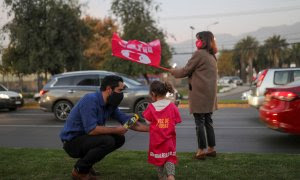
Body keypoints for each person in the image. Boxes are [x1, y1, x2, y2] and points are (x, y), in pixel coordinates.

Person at [60, 75, 149, 180]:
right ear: (109, 89)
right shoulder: (90, 100)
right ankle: (79, 171)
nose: (121, 94)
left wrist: (153, 128)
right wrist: (116, 130)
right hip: (72, 142)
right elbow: (91, 130)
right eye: (120, 90)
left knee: (119, 139)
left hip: (86, 139)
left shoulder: (110, 104)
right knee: (107, 140)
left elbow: (128, 122)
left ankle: (87, 165)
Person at [170, 31, 218, 160]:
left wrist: (174, 72)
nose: (197, 41)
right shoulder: (212, 55)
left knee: (199, 122)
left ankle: (201, 150)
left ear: (204, 41)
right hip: (209, 95)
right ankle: (211, 149)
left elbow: (186, 70)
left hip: (199, 94)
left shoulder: (199, 54)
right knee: (208, 121)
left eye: (198, 39)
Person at [143, 81, 182, 180]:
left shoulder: (151, 108)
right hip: (169, 140)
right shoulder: (172, 106)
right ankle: (171, 176)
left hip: (156, 141)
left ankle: (161, 177)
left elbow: (147, 122)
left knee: (158, 159)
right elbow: (177, 120)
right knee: (170, 158)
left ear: (153, 94)